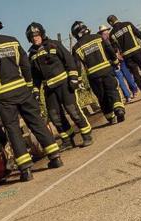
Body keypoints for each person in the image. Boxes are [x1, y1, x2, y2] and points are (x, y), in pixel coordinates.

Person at [0, 14, 63, 182]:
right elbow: (25, 64)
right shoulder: (12, 40)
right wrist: (29, 85)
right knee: (36, 122)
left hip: (3, 96)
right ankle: (55, 157)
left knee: (13, 130)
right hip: (22, 89)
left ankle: (26, 170)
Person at [26, 22, 93, 150]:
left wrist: (74, 79)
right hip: (49, 90)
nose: (35, 38)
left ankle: (86, 134)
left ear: (42, 34)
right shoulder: (32, 55)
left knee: (73, 110)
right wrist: (35, 91)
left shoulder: (54, 44)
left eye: (37, 35)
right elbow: (35, 77)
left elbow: (69, 61)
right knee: (55, 116)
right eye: (32, 36)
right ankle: (67, 139)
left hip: (64, 85)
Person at [71, 21, 126, 125]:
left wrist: (78, 80)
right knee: (112, 90)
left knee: (102, 96)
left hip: (93, 76)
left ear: (75, 34)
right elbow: (109, 48)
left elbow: (77, 65)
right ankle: (119, 109)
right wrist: (115, 61)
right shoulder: (98, 37)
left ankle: (110, 117)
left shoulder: (76, 47)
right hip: (106, 70)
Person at [107, 14, 141, 98]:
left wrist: (117, 61)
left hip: (126, 56)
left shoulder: (112, 34)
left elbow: (115, 50)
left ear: (111, 23)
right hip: (137, 51)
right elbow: (139, 34)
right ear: (117, 19)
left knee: (135, 74)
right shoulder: (128, 24)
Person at [97, 25, 139, 103]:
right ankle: (133, 90)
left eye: (104, 31)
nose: (105, 33)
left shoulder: (101, 42)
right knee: (125, 75)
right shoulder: (111, 37)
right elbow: (117, 47)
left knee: (121, 78)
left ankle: (128, 96)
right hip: (119, 59)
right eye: (104, 32)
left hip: (113, 61)